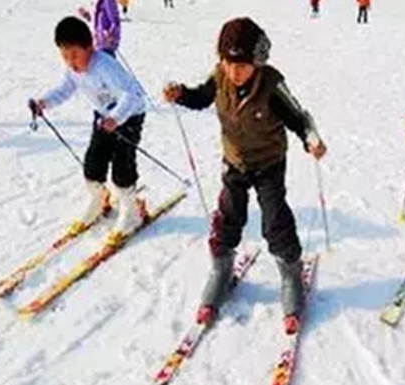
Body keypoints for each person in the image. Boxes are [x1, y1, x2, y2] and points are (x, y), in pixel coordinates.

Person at [163, 17, 327, 335]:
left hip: (268, 164)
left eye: (242, 65)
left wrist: (312, 140)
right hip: (234, 162)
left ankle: (290, 274)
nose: (234, 71)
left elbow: (299, 118)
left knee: (274, 219)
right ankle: (221, 269)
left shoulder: (272, 85)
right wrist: (181, 93)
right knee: (227, 216)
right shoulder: (219, 78)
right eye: (228, 63)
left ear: (257, 61)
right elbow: (200, 97)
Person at [29, 17, 147, 245]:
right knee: (93, 162)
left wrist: (116, 118)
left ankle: (130, 211)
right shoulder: (73, 70)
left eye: (75, 55)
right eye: (64, 56)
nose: (70, 62)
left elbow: (130, 96)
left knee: (122, 167)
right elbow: (64, 89)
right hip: (104, 117)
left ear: (90, 47)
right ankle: (99, 198)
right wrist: (44, 102)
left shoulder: (105, 66)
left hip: (129, 115)